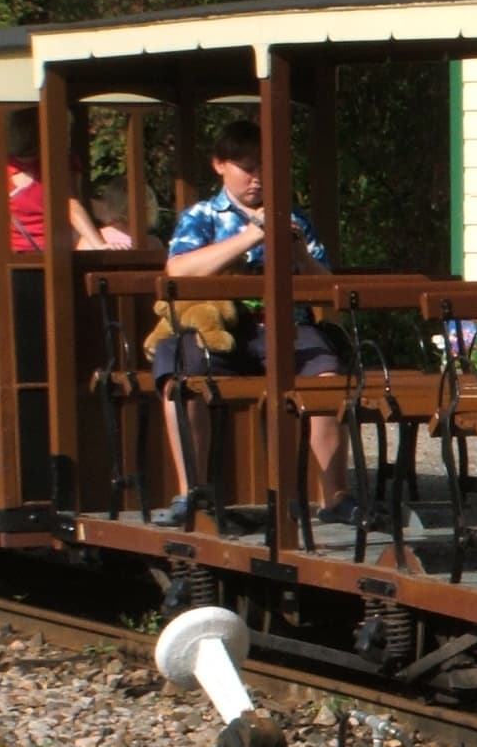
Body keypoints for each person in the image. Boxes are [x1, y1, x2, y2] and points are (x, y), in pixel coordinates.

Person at [151, 118, 354, 528]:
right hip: (217, 330)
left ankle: (335, 497)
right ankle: (192, 493)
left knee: (328, 376)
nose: (258, 178)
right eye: (247, 167)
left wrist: (300, 255)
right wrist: (251, 236)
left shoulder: (295, 219)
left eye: (265, 167)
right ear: (220, 165)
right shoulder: (201, 216)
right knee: (179, 375)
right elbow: (178, 270)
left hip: (284, 328)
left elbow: (326, 289)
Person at [6, 112, 114, 253]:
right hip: (57, 253)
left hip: (13, 255)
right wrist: (99, 245)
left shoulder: (7, 165)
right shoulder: (60, 162)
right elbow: (72, 205)